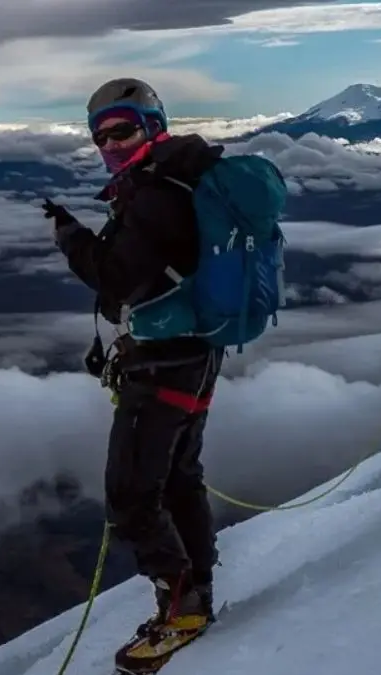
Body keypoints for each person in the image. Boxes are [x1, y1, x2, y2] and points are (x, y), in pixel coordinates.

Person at [42, 77, 225, 674]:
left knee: (131, 495)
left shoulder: (154, 195)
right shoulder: (182, 179)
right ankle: (197, 591)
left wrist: (71, 238)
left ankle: (183, 608)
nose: (111, 144)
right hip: (197, 354)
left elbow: (116, 279)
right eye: (102, 136)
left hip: (164, 361)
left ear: (152, 124)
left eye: (122, 129)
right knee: (179, 479)